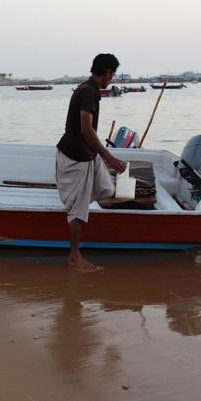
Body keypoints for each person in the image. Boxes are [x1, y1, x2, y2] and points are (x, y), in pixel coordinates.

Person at [55, 53, 127, 272]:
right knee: (78, 210)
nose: (111, 79)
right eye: (112, 75)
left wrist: (101, 157)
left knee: (106, 187)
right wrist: (109, 157)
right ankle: (74, 257)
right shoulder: (88, 92)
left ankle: (83, 204)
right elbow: (87, 129)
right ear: (107, 72)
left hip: (86, 154)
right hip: (75, 157)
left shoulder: (89, 90)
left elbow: (87, 131)